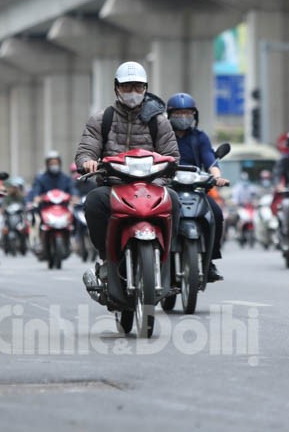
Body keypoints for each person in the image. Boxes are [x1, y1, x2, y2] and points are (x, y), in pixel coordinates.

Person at [75, 61, 180, 286]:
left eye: (138, 87)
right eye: (127, 87)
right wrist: (88, 162)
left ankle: (168, 258)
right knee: (93, 201)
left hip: (152, 187)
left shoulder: (159, 121)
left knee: (175, 201)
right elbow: (86, 150)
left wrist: (162, 179)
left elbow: (172, 155)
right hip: (114, 186)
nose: (133, 93)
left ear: (146, 88)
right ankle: (105, 257)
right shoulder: (102, 119)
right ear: (116, 88)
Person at [166, 92, 228, 282]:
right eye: (178, 113)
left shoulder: (200, 137)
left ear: (194, 115)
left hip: (195, 189)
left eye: (187, 112)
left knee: (216, 214)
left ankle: (210, 261)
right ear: (169, 115)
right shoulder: (163, 136)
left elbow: (211, 161)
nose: (183, 117)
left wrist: (217, 177)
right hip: (168, 189)